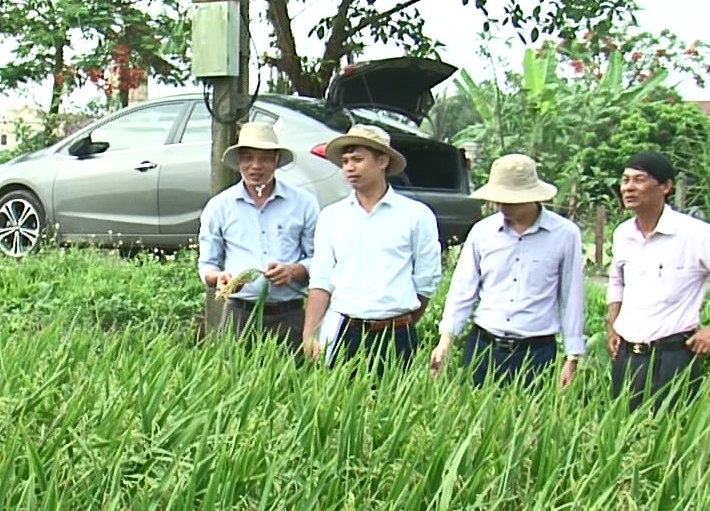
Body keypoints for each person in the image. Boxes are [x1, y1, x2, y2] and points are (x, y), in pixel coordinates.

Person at [606, 151, 710, 406]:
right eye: (625, 180)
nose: (629, 188)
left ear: (666, 187)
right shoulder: (623, 233)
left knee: (672, 435)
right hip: (627, 356)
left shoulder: (694, 234)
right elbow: (617, 280)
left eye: (639, 180)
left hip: (672, 357)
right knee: (623, 432)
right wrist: (612, 322)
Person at [430, 154, 587, 386]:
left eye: (511, 200)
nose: (503, 206)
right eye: (499, 199)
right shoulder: (482, 232)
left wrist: (572, 355)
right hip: (484, 346)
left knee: (530, 418)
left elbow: (571, 296)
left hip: (536, 351)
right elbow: (463, 289)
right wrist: (446, 339)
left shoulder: (564, 234)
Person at [301, 124, 441, 367]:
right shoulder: (332, 217)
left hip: (396, 332)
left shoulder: (416, 215)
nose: (349, 168)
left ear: (382, 161)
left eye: (358, 159)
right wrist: (310, 333)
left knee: (395, 403)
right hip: (344, 330)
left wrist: (401, 321)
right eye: (345, 161)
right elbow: (321, 280)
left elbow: (426, 282)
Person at [197, 121, 319, 351]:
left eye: (264, 158)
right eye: (248, 158)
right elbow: (207, 264)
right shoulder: (219, 206)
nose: (255, 166)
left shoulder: (303, 203)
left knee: (291, 383)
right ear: (239, 162)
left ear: (276, 161)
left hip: (289, 313)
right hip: (239, 313)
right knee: (235, 380)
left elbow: (319, 259)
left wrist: (294, 271)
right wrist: (220, 278)